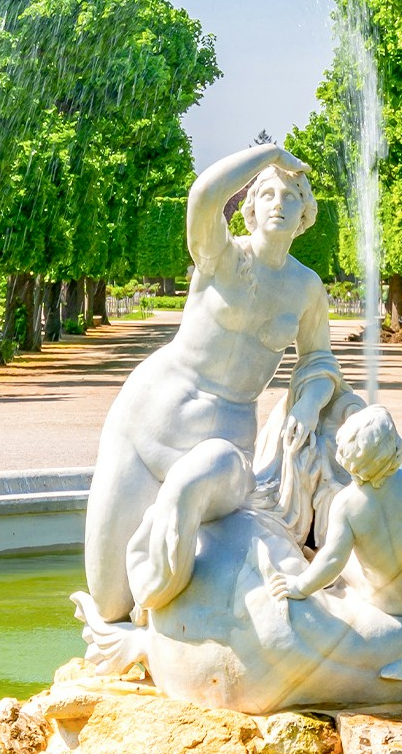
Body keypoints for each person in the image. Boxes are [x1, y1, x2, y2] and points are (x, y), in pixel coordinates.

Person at [83, 143, 342, 623]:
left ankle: (169, 609)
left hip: (226, 442)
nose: (279, 205)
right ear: (249, 207)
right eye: (268, 194)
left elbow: (320, 362)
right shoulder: (221, 256)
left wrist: (308, 405)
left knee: (198, 480)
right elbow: (203, 194)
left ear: (306, 213)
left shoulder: (306, 287)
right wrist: (271, 154)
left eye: (291, 197)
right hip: (146, 424)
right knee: (108, 604)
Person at [264, 405, 402, 695]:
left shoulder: (346, 505)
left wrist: (299, 586)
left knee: (345, 561)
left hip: (388, 600)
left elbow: (332, 560)